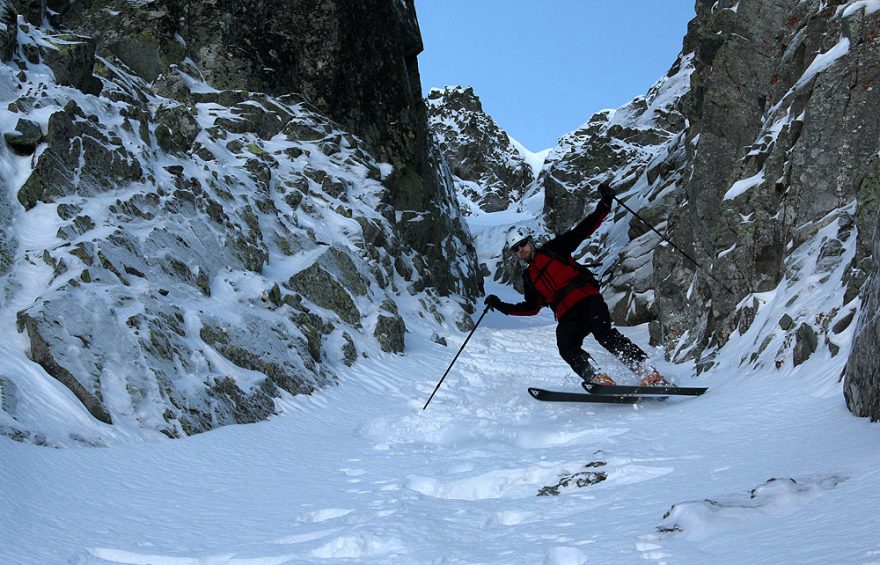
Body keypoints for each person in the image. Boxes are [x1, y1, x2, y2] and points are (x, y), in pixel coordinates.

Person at [484, 183, 667, 389]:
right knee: (566, 345)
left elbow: (582, 230)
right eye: (516, 249)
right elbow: (531, 307)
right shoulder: (529, 277)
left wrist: (604, 205)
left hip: (587, 300)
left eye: (522, 244)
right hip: (567, 315)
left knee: (604, 335)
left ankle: (648, 372)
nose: (521, 250)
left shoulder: (554, 249)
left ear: (530, 241)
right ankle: (597, 377)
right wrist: (501, 306)